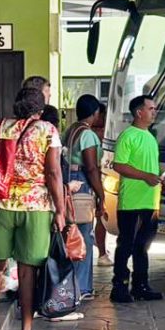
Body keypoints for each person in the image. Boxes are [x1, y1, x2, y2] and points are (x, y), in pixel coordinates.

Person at [0, 86, 66, 330]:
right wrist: (60, 210)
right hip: (35, 206)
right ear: (40, 108)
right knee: (28, 271)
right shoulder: (47, 131)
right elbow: (53, 173)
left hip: (0, 203)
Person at [110, 95, 165, 303]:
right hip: (132, 202)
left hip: (150, 201)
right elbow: (119, 165)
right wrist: (145, 176)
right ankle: (120, 286)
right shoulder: (128, 136)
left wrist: (159, 180)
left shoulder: (150, 137)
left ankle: (141, 285)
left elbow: (150, 167)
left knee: (143, 246)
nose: (154, 112)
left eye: (155, 108)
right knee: (126, 244)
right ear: (139, 112)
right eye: (151, 108)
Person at [64, 95, 107, 302]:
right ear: (95, 113)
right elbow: (91, 167)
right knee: (83, 237)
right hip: (82, 183)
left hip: (68, 182)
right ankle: (82, 287)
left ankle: (69, 285)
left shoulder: (70, 130)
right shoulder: (88, 135)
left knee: (69, 235)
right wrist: (101, 193)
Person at [94, 105, 112, 267]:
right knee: (101, 216)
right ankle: (101, 253)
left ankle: (102, 251)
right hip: (95, 179)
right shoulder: (96, 134)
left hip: (97, 178)